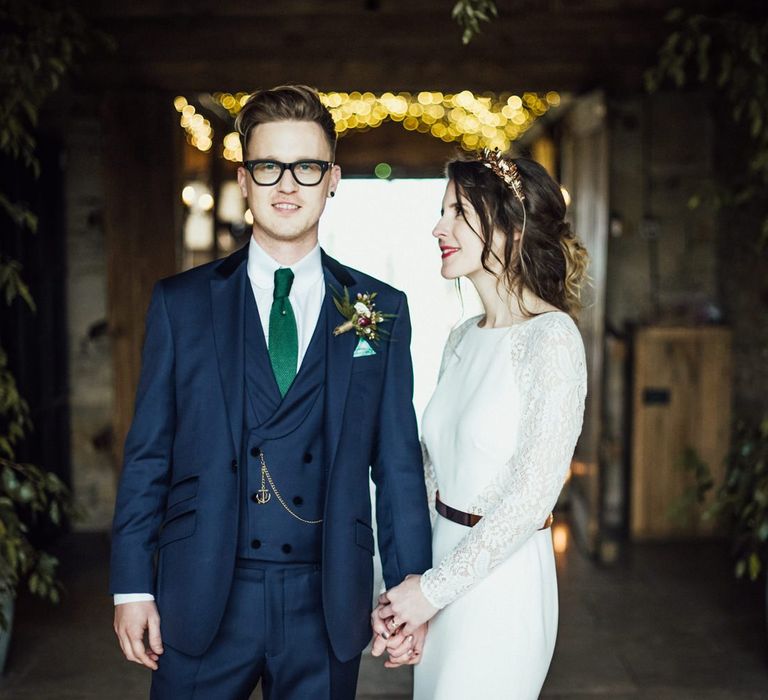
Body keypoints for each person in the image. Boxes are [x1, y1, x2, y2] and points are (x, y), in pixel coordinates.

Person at [110, 84, 432, 700]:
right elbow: (149, 451)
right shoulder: (181, 305)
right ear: (245, 178)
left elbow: (396, 464)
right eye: (268, 166)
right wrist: (132, 586)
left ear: (332, 178)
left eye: (307, 167)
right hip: (201, 592)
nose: (288, 185)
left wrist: (409, 586)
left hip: (326, 598)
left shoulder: (376, 309)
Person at [372, 149, 589, 698]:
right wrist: (410, 595)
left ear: (511, 229)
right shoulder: (461, 337)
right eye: (443, 212)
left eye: (457, 213)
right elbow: (430, 475)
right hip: (439, 572)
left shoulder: (553, 338)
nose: (438, 228)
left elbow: (533, 495)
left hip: (503, 585)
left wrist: (433, 592)